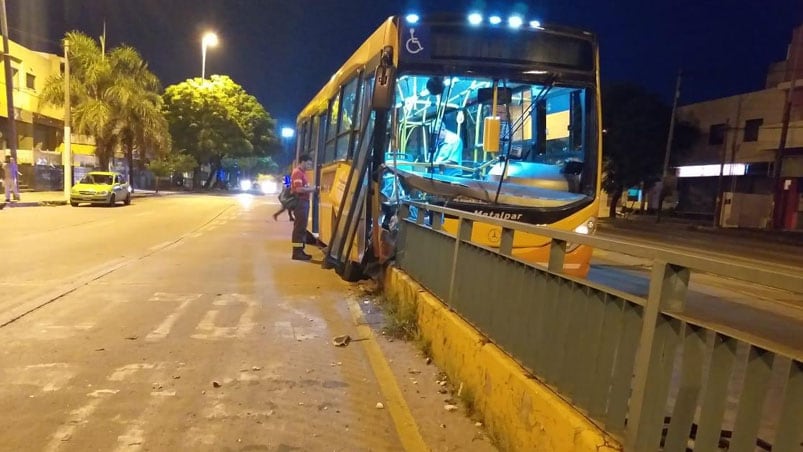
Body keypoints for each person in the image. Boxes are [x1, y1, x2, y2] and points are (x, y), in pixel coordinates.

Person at [290, 154, 317, 261]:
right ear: (303, 162)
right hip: (300, 202)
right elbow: (299, 189)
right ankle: (297, 253)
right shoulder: (297, 173)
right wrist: (312, 189)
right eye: (309, 163)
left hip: (303, 202)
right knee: (299, 228)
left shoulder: (302, 173)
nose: (310, 165)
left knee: (301, 228)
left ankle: (300, 251)